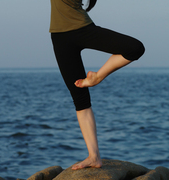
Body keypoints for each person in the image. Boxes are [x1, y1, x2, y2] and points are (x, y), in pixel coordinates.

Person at [50, 0, 145, 170]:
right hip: (60, 37)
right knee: (80, 99)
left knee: (135, 48)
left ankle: (97, 77)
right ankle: (94, 157)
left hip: (82, 29)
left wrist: (99, 76)